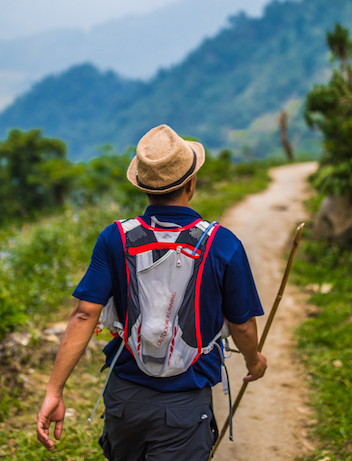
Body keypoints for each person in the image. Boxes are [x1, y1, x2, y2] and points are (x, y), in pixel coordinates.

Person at [36, 124, 267, 461]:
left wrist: (54, 390)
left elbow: (85, 314)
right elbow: (242, 326)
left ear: (144, 188)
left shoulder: (115, 238)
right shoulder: (223, 244)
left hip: (124, 401)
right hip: (184, 407)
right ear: (191, 183)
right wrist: (254, 360)